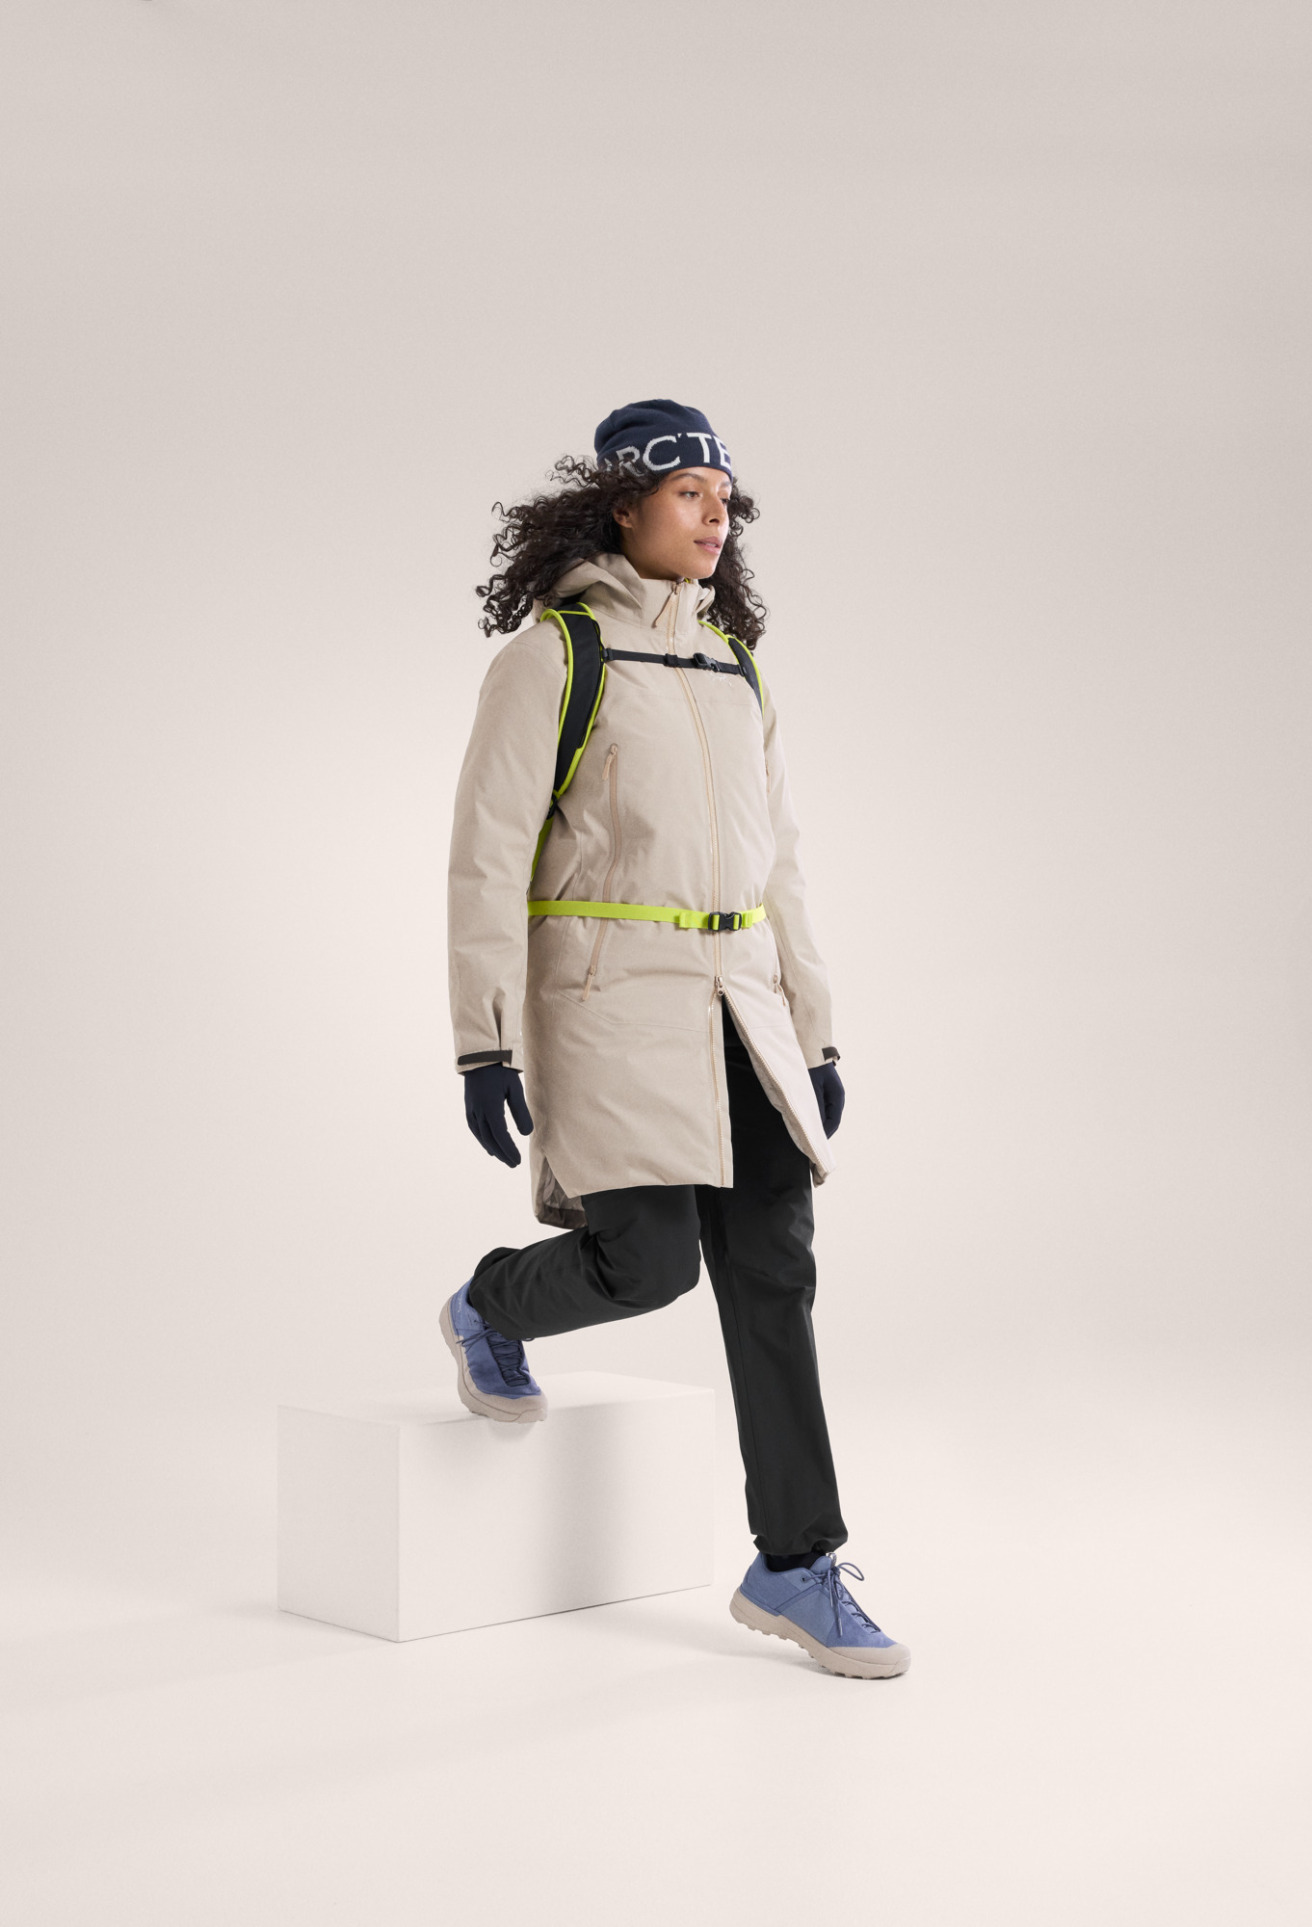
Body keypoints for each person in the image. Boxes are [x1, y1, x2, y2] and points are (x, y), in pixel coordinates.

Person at [441, 399, 908, 1680]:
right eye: (689, 491)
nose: (714, 515)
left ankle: (794, 1562)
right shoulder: (554, 657)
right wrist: (483, 1041)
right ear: (620, 504)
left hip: (740, 1001)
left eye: (723, 497)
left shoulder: (732, 666)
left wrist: (812, 1028)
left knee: (773, 1271)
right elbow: (485, 856)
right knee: (643, 1265)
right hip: (611, 1001)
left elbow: (780, 861)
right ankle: (488, 1303)